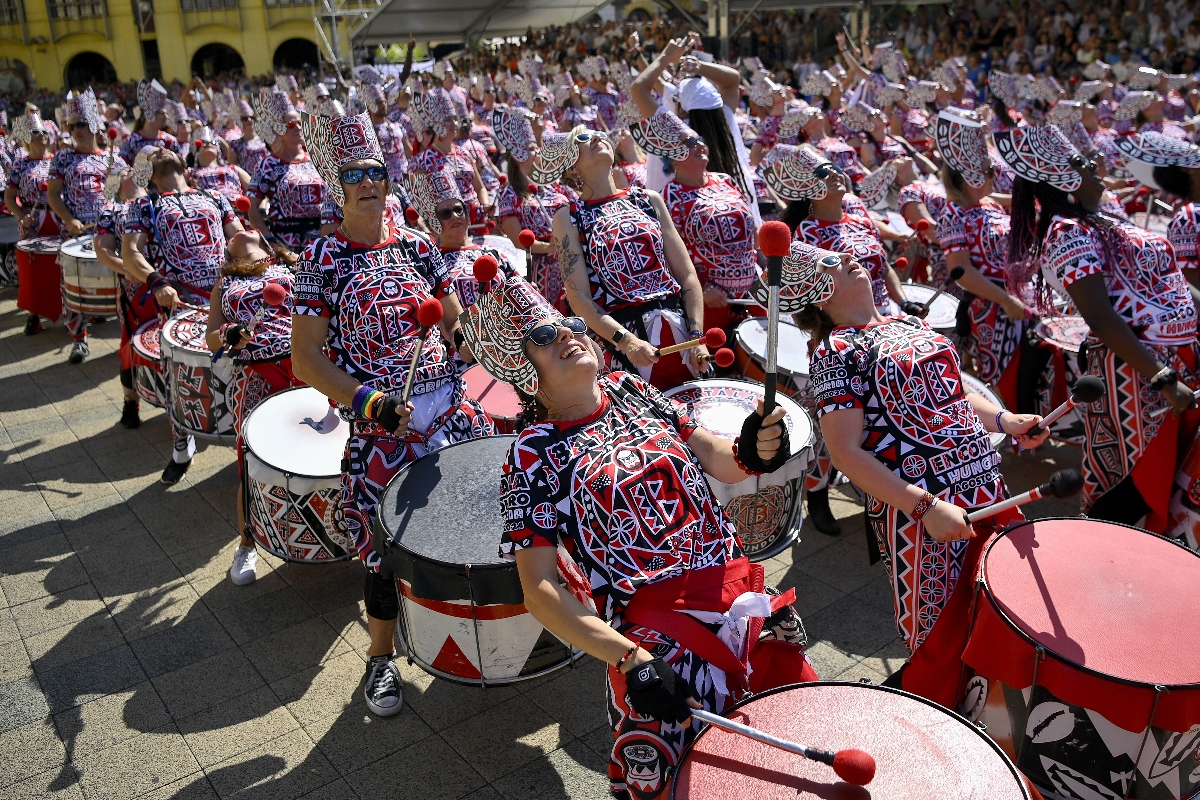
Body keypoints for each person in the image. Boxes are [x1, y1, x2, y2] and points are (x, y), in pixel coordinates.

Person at [460, 273, 813, 800]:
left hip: (742, 600)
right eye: (543, 336)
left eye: (570, 323)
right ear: (524, 373)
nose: (565, 334)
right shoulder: (530, 453)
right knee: (687, 784)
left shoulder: (629, 390)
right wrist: (626, 657)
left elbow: (712, 452)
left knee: (792, 760)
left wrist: (751, 450)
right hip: (657, 641)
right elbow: (539, 590)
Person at [290, 111, 493, 718]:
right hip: (383, 429)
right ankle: (381, 661)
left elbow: (453, 321)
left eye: (377, 171)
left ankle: (471, 636)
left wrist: (479, 345)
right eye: (355, 174)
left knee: (477, 528)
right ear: (337, 185)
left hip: (451, 415)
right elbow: (304, 359)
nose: (369, 182)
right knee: (386, 553)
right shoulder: (322, 257)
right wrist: (370, 402)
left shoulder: (416, 245)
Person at [797, 237, 1049, 703]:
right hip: (926, 510)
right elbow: (846, 452)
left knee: (1011, 607)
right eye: (833, 264)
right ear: (817, 292)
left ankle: (997, 712)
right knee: (940, 637)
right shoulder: (835, 352)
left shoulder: (906, 324)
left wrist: (1004, 421)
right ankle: (944, 725)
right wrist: (926, 506)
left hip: (987, 485)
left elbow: (954, 393)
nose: (851, 258)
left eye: (846, 255)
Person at [1002, 126, 1199, 532]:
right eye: (1079, 163)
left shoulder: (1102, 218)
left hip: (1167, 361)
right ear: (1062, 179)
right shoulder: (1067, 232)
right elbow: (1101, 318)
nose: (1093, 163)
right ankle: (1097, 567)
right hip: (1135, 375)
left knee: (1172, 469)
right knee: (1133, 482)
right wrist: (1161, 378)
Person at [537, 127, 709, 391]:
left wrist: (697, 336)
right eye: (583, 139)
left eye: (598, 134)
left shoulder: (648, 199)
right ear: (572, 167)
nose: (596, 138)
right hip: (627, 349)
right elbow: (579, 298)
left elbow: (686, 275)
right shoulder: (568, 217)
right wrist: (626, 341)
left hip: (681, 338)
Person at [121, 146, 243, 484]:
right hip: (181, 303)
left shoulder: (216, 196)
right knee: (180, 376)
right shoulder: (144, 205)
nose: (162, 148)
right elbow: (130, 251)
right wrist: (155, 281)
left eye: (168, 144)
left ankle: (247, 444)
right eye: (153, 151)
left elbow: (239, 238)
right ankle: (181, 449)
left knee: (239, 369)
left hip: (227, 299)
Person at [204, 229, 302, 585]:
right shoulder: (224, 283)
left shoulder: (295, 265)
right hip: (256, 373)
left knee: (326, 453)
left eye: (247, 227)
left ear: (263, 239)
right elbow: (211, 338)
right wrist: (230, 334)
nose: (237, 229)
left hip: (304, 366)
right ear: (229, 253)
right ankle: (247, 544)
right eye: (230, 235)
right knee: (253, 462)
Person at [933, 111, 1028, 407]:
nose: (994, 177)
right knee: (999, 376)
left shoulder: (989, 203)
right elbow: (962, 272)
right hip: (989, 307)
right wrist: (1005, 300)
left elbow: (1024, 203)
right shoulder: (953, 214)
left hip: (1018, 298)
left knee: (1026, 370)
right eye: (987, 172)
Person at [648, 107, 759, 331]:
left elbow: (751, 234)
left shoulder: (726, 180)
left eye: (699, 140)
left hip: (753, 293)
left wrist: (764, 273)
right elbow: (667, 254)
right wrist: (705, 288)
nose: (698, 145)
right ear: (673, 158)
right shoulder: (668, 197)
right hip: (711, 302)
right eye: (689, 143)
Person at [48, 88, 123, 364]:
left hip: (111, 233)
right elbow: (53, 195)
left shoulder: (113, 158)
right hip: (76, 233)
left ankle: (126, 336)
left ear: (94, 126)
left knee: (122, 282)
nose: (75, 130)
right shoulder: (62, 158)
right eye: (71, 125)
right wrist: (70, 220)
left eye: (81, 125)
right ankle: (79, 340)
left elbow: (126, 195)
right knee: (73, 285)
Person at [93, 155, 152, 429]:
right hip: (135, 290)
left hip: (173, 285)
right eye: (120, 170)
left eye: (129, 167)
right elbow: (103, 250)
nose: (127, 170)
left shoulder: (158, 198)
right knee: (131, 344)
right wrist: (127, 268)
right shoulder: (110, 209)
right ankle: (131, 402)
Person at [493, 106, 572, 307]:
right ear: (517, 156)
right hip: (542, 264)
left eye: (535, 146)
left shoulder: (553, 184)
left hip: (571, 256)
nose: (536, 151)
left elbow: (578, 205)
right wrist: (549, 247)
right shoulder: (509, 193)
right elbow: (518, 239)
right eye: (530, 148)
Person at [405, 167, 516, 309]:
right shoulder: (430, 263)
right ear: (433, 224)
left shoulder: (494, 254)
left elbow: (518, 286)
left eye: (458, 210)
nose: (455, 216)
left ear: (468, 217)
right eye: (446, 213)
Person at [247, 91, 327, 252]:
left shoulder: (318, 158)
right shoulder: (267, 164)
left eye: (300, 123)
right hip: (286, 243)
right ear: (278, 131)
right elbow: (252, 206)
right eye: (291, 125)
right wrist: (268, 239)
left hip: (322, 240)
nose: (298, 128)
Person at [5, 109, 58, 336]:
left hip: (58, 217)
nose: (42, 135)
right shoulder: (20, 164)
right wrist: (20, 216)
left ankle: (78, 309)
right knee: (33, 267)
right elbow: (9, 196)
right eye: (36, 131)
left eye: (45, 131)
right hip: (31, 219)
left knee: (64, 262)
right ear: (28, 138)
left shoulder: (59, 161)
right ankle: (34, 315)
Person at [411, 88, 491, 228]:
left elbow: (480, 188)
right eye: (448, 120)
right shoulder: (423, 161)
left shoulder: (464, 153)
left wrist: (485, 205)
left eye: (455, 119)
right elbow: (421, 202)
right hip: (449, 225)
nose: (454, 124)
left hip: (477, 221)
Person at [120, 80, 184, 164]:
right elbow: (123, 167)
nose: (166, 117)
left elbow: (180, 167)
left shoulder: (170, 141)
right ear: (149, 114)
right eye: (162, 113)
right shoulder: (132, 141)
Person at [191, 127, 250, 201]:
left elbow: (254, 190)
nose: (209, 143)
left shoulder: (232, 168)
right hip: (211, 207)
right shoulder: (191, 173)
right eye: (204, 142)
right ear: (197, 152)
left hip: (237, 205)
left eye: (213, 142)